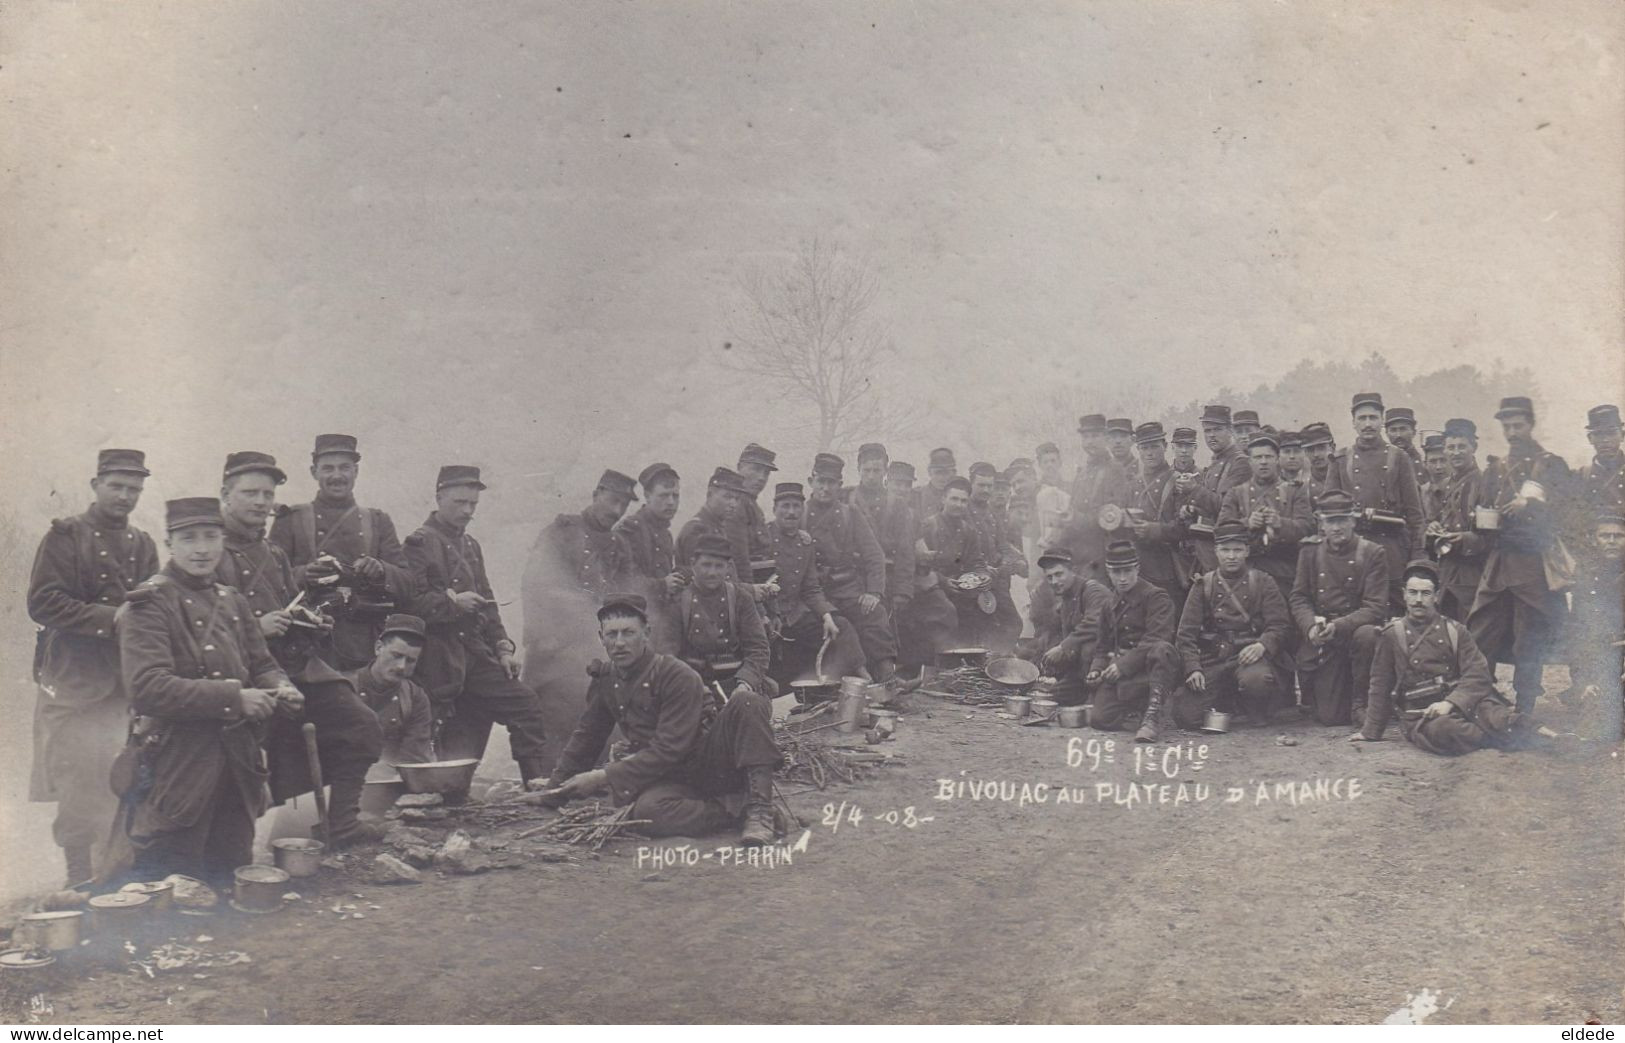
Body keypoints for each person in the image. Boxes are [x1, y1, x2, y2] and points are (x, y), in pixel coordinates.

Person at [116, 497, 296, 885]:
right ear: (169, 543)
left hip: (238, 765)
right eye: (189, 538)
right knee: (172, 882)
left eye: (211, 537)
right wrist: (234, 698)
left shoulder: (231, 600)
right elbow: (147, 688)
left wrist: (281, 686)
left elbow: (261, 663)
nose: (202, 548)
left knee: (230, 874)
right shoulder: (148, 604)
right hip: (180, 766)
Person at [214, 451, 382, 846]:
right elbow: (197, 631)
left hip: (295, 668)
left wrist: (313, 621)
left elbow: (293, 604)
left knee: (361, 726)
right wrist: (257, 627)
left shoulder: (273, 554)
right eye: (250, 493)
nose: (261, 503)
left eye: (267, 494)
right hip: (239, 676)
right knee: (241, 764)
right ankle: (234, 851)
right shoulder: (210, 553)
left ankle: (341, 824)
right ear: (226, 494)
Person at [546, 594, 782, 846]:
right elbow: (587, 737)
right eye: (611, 634)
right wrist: (554, 789)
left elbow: (669, 748)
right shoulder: (606, 678)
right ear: (600, 638)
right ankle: (736, 811)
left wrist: (603, 777)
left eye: (628, 633)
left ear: (646, 633)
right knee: (648, 814)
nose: (620, 643)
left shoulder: (675, 674)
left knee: (747, 702)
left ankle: (761, 811)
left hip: (711, 764)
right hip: (671, 777)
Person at [28, 448, 160, 885]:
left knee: (127, 772)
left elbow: (154, 606)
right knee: (78, 777)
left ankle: (119, 867)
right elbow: (43, 602)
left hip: (126, 679)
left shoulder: (142, 544)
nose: (125, 496)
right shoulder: (66, 537)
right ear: (96, 485)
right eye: (117, 486)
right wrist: (110, 618)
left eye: (134, 489)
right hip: (75, 679)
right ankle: (78, 876)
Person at [404, 465, 549, 784]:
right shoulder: (419, 543)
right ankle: (445, 797)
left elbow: (488, 602)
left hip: (476, 656)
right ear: (440, 497)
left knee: (524, 704)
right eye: (460, 503)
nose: (468, 511)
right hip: (439, 658)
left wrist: (503, 647)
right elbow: (411, 604)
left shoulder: (471, 546)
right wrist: (453, 604)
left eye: (473, 504)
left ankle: (536, 787)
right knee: (450, 755)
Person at [1353, 560, 1572, 753]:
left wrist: (1451, 703)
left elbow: (1478, 675)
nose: (1418, 600)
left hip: (1464, 701)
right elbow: (1380, 683)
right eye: (1413, 592)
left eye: (1426, 593)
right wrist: (1370, 731)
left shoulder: (1455, 630)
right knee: (1445, 730)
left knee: (1499, 717)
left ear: (1437, 596)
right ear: (1404, 594)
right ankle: (1511, 740)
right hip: (1422, 714)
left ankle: (1557, 739)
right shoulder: (1391, 635)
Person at [269, 433, 415, 670]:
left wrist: (380, 570)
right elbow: (269, 579)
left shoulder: (377, 521)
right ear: (313, 472)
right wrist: (304, 574)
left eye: (344, 468)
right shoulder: (291, 520)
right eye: (328, 468)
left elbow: (408, 584)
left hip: (363, 644)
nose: (337, 476)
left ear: (355, 472)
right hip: (305, 645)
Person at [1466, 396, 1574, 714]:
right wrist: (1482, 518)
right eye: (1507, 426)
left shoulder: (1552, 464)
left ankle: (1524, 708)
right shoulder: (1494, 468)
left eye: (1518, 425)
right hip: (1499, 564)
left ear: (1531, 424)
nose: (1512, 432)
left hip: (1533, 565)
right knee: (1481, 631)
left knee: (1529, 637)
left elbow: (1569, 513)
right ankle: (1480, 700)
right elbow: (1484, 511)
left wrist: (1533, 505)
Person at [1171, 521, 1293, 730]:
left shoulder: (1263, 581)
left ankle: (1253, 706)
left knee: (1257, 681)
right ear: (1216, 551)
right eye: (1225, 550)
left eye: (1237, 550)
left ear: (1246, 551)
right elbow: (1186, 634)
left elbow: (1280, 625)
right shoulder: (1203, 585)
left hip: (1250, 656)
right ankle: (1226, 701)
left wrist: (1262, 645)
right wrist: (1193, 668)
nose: (1231, 556)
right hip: (1216, 658)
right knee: (1185, 715)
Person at [1289, 491, 1387, 726]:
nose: (1336, 527)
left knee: (1368, 636)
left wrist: (1339, 625)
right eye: (1330, 521)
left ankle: (1361, 702)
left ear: (1353, 520)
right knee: (1329, 717)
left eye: (1342, 519)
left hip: (1355, 632)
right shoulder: (1310, 552)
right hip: (1326, 637)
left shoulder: (1372, 553)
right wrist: (1311, 626)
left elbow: (1375, 607)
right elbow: (1299, 597)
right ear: (1321, 523)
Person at [1324, 391, 1425, 610]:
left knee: (1395, 612)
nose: (1368, 424)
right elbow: (1327, 513)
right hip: (1352, 550)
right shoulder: (1340, 459)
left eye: (1373, 418)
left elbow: (1415, 513)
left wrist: (1417, 558)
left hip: (1392, 549)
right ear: (1353, 423)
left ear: (1381, 421)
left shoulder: (1399, 457)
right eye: (1362, 418)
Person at [805, 453, 898, 680]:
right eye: (821, 482)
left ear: (840, 485)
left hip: (847, 589)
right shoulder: (801, 514)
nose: (825, 488)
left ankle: (887, 676)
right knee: (836, 625)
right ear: (811, 482)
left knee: (875, 613)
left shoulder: (850, 514)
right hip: (815, 592)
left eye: (832, 483)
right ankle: (857, 680)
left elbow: (874, 554)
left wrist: (874, 591)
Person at [762, 482, 865, 686]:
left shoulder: (805, 543)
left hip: (795, 617)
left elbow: (811, 588)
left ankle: (860, 680)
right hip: (767, 618)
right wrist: (765, 615)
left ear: (802, 510)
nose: (791, 512)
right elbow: (752, 582)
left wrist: (826, 615)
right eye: (785, 506)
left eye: (796, 506)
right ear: (774, 509)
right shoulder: (762, 538)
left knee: (841, 627)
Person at [1082, 541, 1179, 742]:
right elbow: (1103, 646)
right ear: (1109, 572)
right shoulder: (1109, 604)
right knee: (1100, 720)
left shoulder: (1156, 597)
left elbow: (1157, 637)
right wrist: (1096, 669)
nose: (1123, 578)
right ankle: (1136, 707)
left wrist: (1123, 665)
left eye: (1128, 571)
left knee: (1162, 649)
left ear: (1137, 568)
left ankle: (1153, 716)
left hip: (1151, 667)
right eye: (1117, 572)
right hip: (1124, 670)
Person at [674, 534, 774, 700]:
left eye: (719, 566)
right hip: (693, 686)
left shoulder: (741, 598)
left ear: (728, 568)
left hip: (736, 681)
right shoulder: (678, 601)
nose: (712, 573)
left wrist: (745, 683)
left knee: (752, 708)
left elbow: (758, 649)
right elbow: (669, 654)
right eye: (706, 565)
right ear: (693, 565)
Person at [1217, 433, 1314, 603]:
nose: (1263, 462)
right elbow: (1220, 530)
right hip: (1246, 569)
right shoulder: (1236, 493)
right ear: (1250, 461)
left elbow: (1307, 526)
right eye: (1258, 457)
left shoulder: (1295, 491)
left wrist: (1280, 523)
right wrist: (1247, 524)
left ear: (1277, 459)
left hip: (1284, 570)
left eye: (1268, 457)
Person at [344, 614, 435, 777]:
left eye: (411, 661)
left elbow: (414, 759)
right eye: (396, 656)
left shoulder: (415, 698)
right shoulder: (343, 688)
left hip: (389, 785)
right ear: (378, 648)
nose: (401, 666)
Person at [1560, 511, 1624, 740]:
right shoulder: (1586, 574)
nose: (1611, 541)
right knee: (1597, 718)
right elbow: (1579, 630)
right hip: (1604, 655)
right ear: (1594, 539)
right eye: (1604, 535)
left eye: (1618, 536)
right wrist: (1584, 680)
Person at [907, 477, 985, 659]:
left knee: (977, 611)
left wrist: (982, 574)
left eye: (964, 501)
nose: (959, 505)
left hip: (958, 588)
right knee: (946, 613)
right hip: (928, 587)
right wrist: (942, 581)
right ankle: (942, 664)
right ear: (943, 499)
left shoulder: (968, 530)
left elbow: (976, 561)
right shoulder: (928, 526)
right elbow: (916, 564)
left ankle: (967, 667)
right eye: (954, 499)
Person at [1028, 547, 1113, 707]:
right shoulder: (1066, 600)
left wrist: (1063, 648)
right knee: (1051, 696)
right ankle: (1085, 693)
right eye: (1050, 577)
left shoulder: (1092, 590)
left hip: (1108, 662)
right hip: (1083, 669)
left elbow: (1096, 623)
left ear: (1072, 570)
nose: (1054, 581)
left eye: (1059, 574)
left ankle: (1099, 697)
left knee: (1089, 646)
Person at [846, 443, 918, 627]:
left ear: (885, 471)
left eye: (876, 470)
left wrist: (902, 591)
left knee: (885, 629)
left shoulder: (897, 505)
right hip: (852, 577)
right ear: (858, 469)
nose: (871, 476)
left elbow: (905, 551)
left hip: (888, 577)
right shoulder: (846, 499)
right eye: (866, 470)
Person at [1425, 419, 1489, 621]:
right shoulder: (1444, 485)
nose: (1456, 452)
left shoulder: (1484, 484)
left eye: (1462, 446)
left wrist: (1464, 538)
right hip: (1446, 574)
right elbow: (1434, 521)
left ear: (1474, 447)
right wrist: (1432, 529)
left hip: (1473, 575)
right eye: (1450, 447)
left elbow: (1491, 536)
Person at [1125, 421, 1191, 606]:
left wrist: (1154, 530)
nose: (1149, 453)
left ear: (1165, 446)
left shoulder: (1178, 482)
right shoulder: (1134, 484)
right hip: (1138, 567)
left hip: (1167, 569)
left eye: (1154, 446)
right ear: (1138, 449)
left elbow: (1186, 528)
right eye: (1144, 447)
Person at [1060, 414, 1131, 579]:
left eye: (1095, 436)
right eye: (1085, 437)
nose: (1089, 442)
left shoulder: (1115, 469)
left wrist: (1076, 518)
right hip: (1077, 555)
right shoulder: (1082, 473)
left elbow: (1113, 517)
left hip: (1102, 554)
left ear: (1106, 438)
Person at [1182, 404, 1250, 572]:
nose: (1211, 435)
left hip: (1227, 552)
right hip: (1207, 551)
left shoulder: (1240, 463)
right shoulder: (1215, 463)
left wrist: (1194, 490)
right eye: (1207, 431)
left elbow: (1227, 508)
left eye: (1217, 429)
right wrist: (1192, 509)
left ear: (1230, 430)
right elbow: (1208, 505)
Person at [967, 461, 1024, 652]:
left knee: (1013, 623)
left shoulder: (992, 513)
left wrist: (1011, 560)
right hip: (971, 581)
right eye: (981, 485)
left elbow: (1003, 545)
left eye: (989, 486)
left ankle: (997, 662)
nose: (986, 490)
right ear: (971, 484)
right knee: (980, 630)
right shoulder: (963, 510)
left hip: (995, 580)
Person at [676, 467, 750, 581]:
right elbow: (703, 581)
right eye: (728, 497)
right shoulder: (696, 530)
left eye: (737, 499)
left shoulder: (718, 527)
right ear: (710, 494)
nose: (733, 504)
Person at [732, 442, 779, 573]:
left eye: (766, 473)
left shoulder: (752, 505)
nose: (761, 478)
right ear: (739, 467)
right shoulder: (735, 505)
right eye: (756, 469)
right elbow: (739, 560)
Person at [1576, 404, 1625, 518]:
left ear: (1622, 436)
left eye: (1611, 433)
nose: (1605, 440)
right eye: (1598, 434)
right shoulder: (1581, 476)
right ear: (1590, 439)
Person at [1034, 441, 1072, 550]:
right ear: (1040, 465)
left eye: (1053, 461)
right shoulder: (1035, 491)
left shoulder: (1071, 488)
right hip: (1042, 546)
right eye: (1045, 462)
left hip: (1067, 544)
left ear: (1060, 463)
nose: (1049, 465)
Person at [915, 447, 958, 520]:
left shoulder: (961, 498)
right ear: (929, 472)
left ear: (954, 473)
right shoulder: (917, 495)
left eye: (946, 473)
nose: (941, 478)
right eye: (938, 473)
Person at [1300, 421, 1337, 501]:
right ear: (1305, 452)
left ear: (1333, 448)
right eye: (1310, 450)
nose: (1316, 454)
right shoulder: (1302, 485)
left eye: (1321, 448)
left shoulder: (1345, 477)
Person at [1421, 433, 1450, 512]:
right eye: (1433, 461)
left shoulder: (1461, 489)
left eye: (1443, 460)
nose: (1438, 467)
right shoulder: (1421, 493)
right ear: (1425, 464)